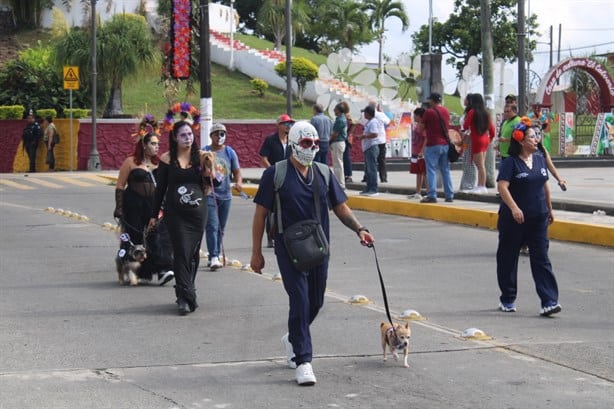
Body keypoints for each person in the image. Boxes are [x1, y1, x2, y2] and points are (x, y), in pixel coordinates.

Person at [250, 121, 375, 386]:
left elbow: (340, 207)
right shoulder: (276, 174)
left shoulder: (323, 172)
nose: (313, 148)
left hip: (318, 247)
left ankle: (294, 337)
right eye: (307, 143)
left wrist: (359, 229)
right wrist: (256, 253)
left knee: (315, 301)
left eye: (316, 144)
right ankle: (303, 360)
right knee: (300, 299)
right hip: (288, 248)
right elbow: (260, 214)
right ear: (294, 144)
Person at [149, 120, 218, 315]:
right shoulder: (166, 159)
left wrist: (209, 171)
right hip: (175, 214)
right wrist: (154, 215)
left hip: (197, 215)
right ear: (174, 138)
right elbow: (160, 189)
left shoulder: (201, 157)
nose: (188, 138)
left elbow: (214, 185)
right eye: (183, 135)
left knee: (192, 253)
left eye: (190, 134)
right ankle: (184, 297)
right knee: (181, 252)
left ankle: (188, 288)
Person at [496, 117, 561, 316]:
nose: (536, 139)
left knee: (541, 258)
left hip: (538, 218)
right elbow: (502, 186)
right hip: (513, 220)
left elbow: (544, 185)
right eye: (532, 137)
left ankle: (549, 301)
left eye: (537, 136)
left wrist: (549, 209)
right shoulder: (511, 163)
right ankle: (508, 298)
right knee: (507, 258)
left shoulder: (540, 159)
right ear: (521, 141)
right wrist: (515, 208)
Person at [114, 118, 174, 285]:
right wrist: (119, 208)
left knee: (158, 237)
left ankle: (163, 269)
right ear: (144, 145)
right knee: (135, 238)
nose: (156, 147)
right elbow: (120, 185)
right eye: (153, 144)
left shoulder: (159, 164)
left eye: (157, 144)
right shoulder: (131, 162)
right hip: (133, 206)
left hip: (152, 206)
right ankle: (134, 270)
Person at [203, 123, 242, 270]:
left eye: (222, 134)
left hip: (226, 194)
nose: (219, 137)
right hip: (209, 194)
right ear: (211, 136)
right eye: (216, 133)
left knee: (221, 227)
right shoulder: (205, 151)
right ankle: (213, 256)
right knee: (212, 225)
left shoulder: (230, 152)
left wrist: (238, 183)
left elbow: (237, 171)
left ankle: (216, 253)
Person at [259, 113, 295, 248]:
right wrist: (272, 171)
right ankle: (271, 236)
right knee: (271, 209)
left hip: (288, 177)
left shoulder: (292, 141)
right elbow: (263, 158)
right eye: (286, 124)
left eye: (290, 124)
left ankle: (286, 234)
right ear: (278, 125)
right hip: (273, 178)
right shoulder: (270, 140)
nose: (288, 126)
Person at [420, 93, 454, 203]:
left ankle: (432, 195)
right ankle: (449, 195)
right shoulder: (446, 111)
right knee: (445, 170)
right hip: (445, 144)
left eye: (430, 100)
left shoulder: (429, 112)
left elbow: (421, 128)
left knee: (431, 170)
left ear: (432, 101)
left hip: (432, 144)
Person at [462, 93, 496, 194]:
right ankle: (481, 185)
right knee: (482, 164)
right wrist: (490, 140)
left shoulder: (472, 111)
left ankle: (481, 186)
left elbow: (465, 125)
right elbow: (492, 130)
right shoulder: (486, 113)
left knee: (479, 165)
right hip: (485, 139)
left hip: (477, 138)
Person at [356, 105, 384, 196]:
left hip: (372, 147)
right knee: (368, 169)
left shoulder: (373, 122)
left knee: (372, 169)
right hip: (368, 147)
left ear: (368, 113)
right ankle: (368, 188)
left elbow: (375, 134)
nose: (364, 114)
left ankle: (373, 189)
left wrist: (364, 136)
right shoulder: (369, 122)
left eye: (365, 112)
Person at [459, 94, 477, 192]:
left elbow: (468, 128)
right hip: (465, 138)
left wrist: (463, 139)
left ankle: (469, 184)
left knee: (470, 161)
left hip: (468, 138)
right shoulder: (467, 112)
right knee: (466, 160)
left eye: (466, 99)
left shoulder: (471, 112)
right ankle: (465, 183)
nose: (464, 100)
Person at [409, 107, 427, 199]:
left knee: (424, 172)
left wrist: (422, 151)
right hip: (415, 151)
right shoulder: (417, 125)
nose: (413, 117)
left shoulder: (423, 126)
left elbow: (426, 139)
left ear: (419, 116)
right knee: (418, 172)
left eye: (415, 115)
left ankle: (428, 192)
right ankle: (418, 192)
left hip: (420, 152)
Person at [329, 103, 348, 189]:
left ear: (339, 110)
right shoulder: (342, 118)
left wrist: (330, 141)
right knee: (338, 163)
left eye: (335, 109)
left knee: (337, 164)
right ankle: (340, 182)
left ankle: (340, 184)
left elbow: (335, 133)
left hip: (337, 142)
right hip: (340, 142)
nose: (334, 111)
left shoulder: (340, 120)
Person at [340, 101, 355, 183]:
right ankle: (348, 174)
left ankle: (347, 174)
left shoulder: (344, 118)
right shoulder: (349, 117)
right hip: (348, 138)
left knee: (345, 157)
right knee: (346, 157)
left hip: (344, 138)